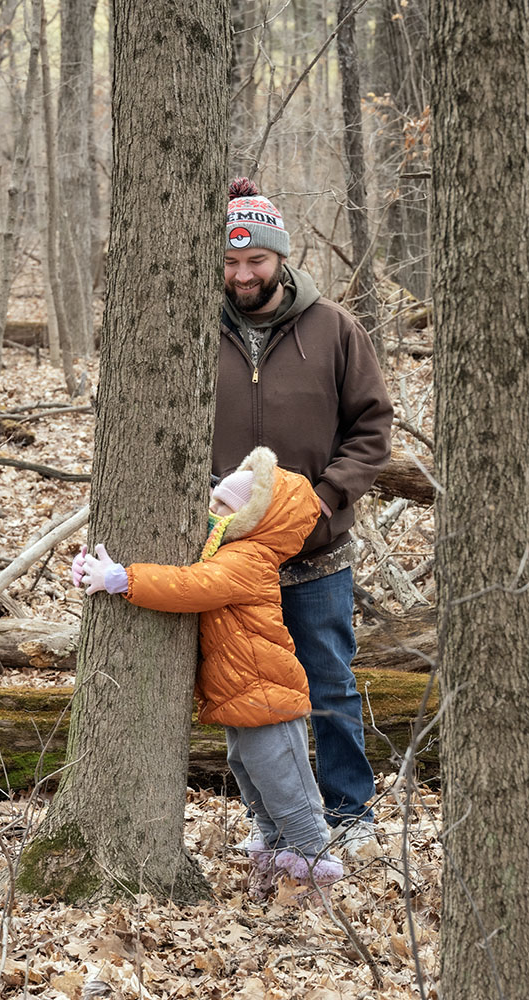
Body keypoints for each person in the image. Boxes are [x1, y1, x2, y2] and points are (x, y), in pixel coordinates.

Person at [72, 446, 343, 896]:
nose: (210, 512)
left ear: (255, 519)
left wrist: (124, 579)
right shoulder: (227, 549)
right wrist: (93, 571)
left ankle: (315, 868)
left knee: (286, 784)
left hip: (267, 695)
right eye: (212, 501)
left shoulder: (248, 560)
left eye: (224, 507)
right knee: (252, 776)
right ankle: (275, 861)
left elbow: (193, 586)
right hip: (241, 696)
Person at [214, 177, 394, 847]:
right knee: (244, 692)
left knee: (328, 685)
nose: (242, 275)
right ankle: (272, 823)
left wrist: (323, 498)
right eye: (231, 262)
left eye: (255, 261)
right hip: (228, 555)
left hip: (316, 552)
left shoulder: (334, 328)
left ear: (280, 258)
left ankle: (348, 815)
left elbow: (371, 428)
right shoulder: (191, 329)